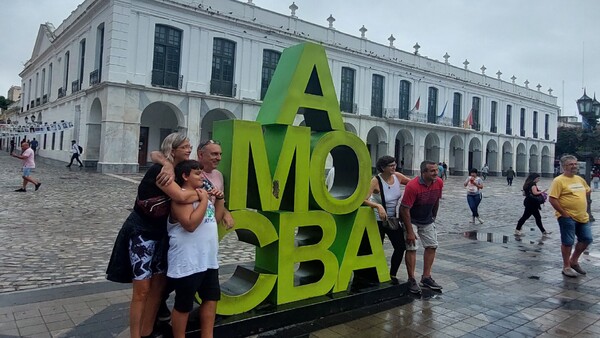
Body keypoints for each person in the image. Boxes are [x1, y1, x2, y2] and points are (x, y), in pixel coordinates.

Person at [106, 133, 202, 338]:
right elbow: (180, 196)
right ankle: (135, 335)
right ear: (173, 149)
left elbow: (156, 153)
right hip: (142, 233)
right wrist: (205, 195)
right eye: (184, 146)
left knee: (158, 288)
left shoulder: (175, 170)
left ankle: (147, 331)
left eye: (189, 146)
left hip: (160, 234)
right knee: (141, 290)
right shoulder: (160, 171)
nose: (188, 149)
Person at [168, 160, 225, 338]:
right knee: (183, 304)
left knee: (210, 299)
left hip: (207, 259)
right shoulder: (181, 198)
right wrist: (204, 200)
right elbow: (190, 224)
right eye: (197, 174)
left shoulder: (201, 196)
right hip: (188, 261)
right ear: (185, 176)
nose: (202, 176)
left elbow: (215, 219)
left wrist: (220, 199)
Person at [363, 156, 411, 285]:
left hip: (392, 220)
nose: (394, 167)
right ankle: (373, 276)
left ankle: (392, 273)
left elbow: (412, 184)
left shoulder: (398, 177)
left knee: (400, 246)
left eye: (394, 165)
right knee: (376, 248)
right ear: (383, 168)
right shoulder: (376, 180)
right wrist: (378, 206)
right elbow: (364, 199)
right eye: (391, 166)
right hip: (378, 219)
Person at [400, 160, 444, 294]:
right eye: (432, 171)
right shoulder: (413, 186)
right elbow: (404, 209)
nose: (436, 173)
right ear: (423, 172)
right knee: (412, 247)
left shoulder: (439, 183)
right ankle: (411, 279)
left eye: (437, 170)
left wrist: (433, 217)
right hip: (411, 218)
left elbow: (436, 200)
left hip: (427, 218)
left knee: (432, 245)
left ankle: (426, 277)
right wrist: (410, 231)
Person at [548, 155, 593, 278]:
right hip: (567, 217)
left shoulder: (579, 179)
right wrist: (564, 213)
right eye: (571, 164)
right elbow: (552, 199)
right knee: (568, 242)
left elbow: (588, 190)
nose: (574, 166)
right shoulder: (559, 180)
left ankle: (574, 261)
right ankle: (566, 266)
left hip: (582, 216)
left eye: (575, 164)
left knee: (587, 239)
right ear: (564, 166)